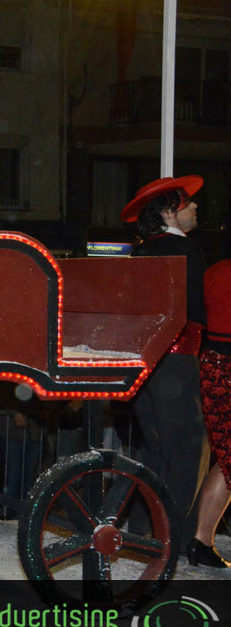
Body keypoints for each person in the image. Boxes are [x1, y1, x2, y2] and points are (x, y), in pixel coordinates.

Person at [121, 175, 208, 554]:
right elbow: (197, 312)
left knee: (153, 449)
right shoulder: (188, 252)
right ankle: (176, 534)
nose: (194, 208)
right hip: (178, 361)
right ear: (169, 210)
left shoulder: (139, 254)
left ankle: (144, 528)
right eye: (187, 203)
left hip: (144, 364)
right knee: (185, 448)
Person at [191, 257, 231, 567]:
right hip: (226, 367)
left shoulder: (215, 270)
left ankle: (201, 541)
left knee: (226, 458)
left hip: (213, 365)